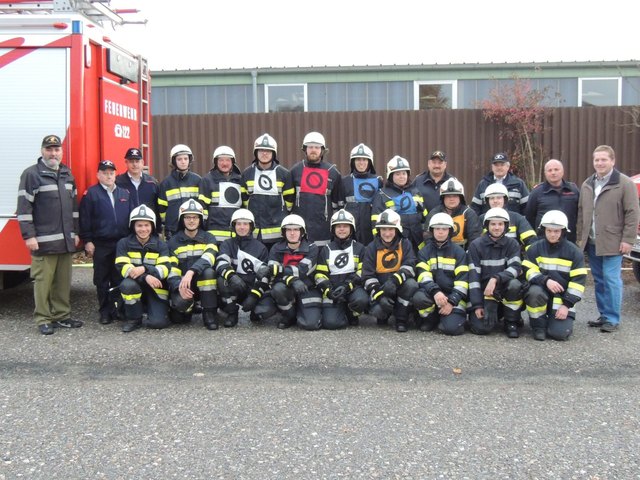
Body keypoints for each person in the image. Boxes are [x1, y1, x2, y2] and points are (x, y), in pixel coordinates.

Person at [16, 134, 83, 335]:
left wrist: (76, 232)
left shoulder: (67, 174)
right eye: (49, 149)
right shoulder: (31, 174)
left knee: (62, 282)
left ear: (62, 152)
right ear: (42, 151)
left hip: (65, 241)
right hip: (43, 242)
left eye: (57, 150)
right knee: (43, 282)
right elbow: (24, 208)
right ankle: (43, 318)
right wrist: (29, 236)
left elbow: (74, 209)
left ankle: (62, 316)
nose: (53, 153)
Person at [576, 145, 640, 333]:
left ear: (612, 161)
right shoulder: (587, 184)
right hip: (592, 242)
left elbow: (632, 213)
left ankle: (612, 318)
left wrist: (628, 239)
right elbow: (581, 213)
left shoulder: (624, 183)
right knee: (599, 279)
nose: (600, 163)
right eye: (597, 160)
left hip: (614, 241)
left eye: (604, 159)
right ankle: (604, 315)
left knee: (611, 279)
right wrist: (581, 239)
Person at [79, 160, 133, 324]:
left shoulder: (124, 193)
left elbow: (131, 218)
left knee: (119, 279)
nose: (108, 176)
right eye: (105, 173)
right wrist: (87, 241)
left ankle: (118, 310)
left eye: (111, 173)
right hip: (101, 244)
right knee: (102, 280)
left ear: (115, 174)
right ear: (98, 175)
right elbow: (84, 220)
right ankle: (104, 312)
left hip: (121, 243)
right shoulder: (91, 194)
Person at [522, 211, 586, 341]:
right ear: (544, 230)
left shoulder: (574, 252)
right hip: (541, 291)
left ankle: (554, 322)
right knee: (534, 292)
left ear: (563, 231)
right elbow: (528, 269)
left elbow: (578, 282)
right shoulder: (535, 248)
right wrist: (545, 281)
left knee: (559, 334)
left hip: (562, 300)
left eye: (556, 231)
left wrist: (566, 305)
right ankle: (538, 326)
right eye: (549, 230)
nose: (552, 234)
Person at [467, 207, 524, 338]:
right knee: (481, 329)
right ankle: (497, 313)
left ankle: (511, 321)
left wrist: (496, 278)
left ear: (506, 226)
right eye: (493, 224)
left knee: (515, 284)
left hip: (502, 290)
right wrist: (477, 305)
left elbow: (516, 268)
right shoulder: (476, 245)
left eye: (500, 224)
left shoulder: (512, 244)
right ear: (487, 225)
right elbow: (473, 277)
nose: (497, 227)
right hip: (484, 293)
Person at [260, 214, 322, 330]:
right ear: (283, 232)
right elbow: (274, 275)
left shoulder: (312, 248)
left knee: (310, 324)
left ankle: (301, 309)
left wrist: (280, 270)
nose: (292, 233)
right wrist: (292, 280)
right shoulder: (276, 248)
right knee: (277, 289)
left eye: (296, 229)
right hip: (286, 287)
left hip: (307, 288)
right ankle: (289, 315)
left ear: (302, 232)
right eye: (288, 230)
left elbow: (302, 271)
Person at [115, 205, 171, 332]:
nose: (143, 229)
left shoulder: (161, 245)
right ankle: (134, 319)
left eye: (147, 225)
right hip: (135, 284)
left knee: (158, 323)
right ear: (133, 226)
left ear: (152, 226)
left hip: (156, 288)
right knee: (128, 285)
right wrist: (146, 276)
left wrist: (144, 268)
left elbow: (165, 269)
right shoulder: (123, 243)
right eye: (139, 225)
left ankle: (153, 309)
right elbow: (123, 268)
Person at [362, 209, 418, 332]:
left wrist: (394, 280)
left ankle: (401, 319)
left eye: (391, 229)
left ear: (397, 230)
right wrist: (379, 296)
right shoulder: (371, 248)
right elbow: (367, 276)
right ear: (378, 230)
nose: (387, 234)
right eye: (383, 229)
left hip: (399, 286)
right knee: (378, 311)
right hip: (381, 289)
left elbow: (410, 265)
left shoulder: (405, 244)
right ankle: (384, 315)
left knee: (411, 284)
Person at [413, 213, 469, 335]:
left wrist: (452, 302)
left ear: (450, 231)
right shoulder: (424, 252)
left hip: (453, 296)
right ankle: (431, 319)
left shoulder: (459, 252)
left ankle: (450, 318)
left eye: (444, 229)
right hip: (433, 294)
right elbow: (423, 276)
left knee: (451, 329)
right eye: (437, 229)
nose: (440, 232)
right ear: (432, 231)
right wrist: (435, 291)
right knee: (418, 298)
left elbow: (463, 282)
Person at [166, 199, 219, 330]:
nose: (191, 220)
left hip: (203, 284)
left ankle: (209, 313)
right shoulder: (173, 242)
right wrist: (179, 287)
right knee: (178, 320)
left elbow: (209, 258)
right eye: (187, 217)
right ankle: (189, 307)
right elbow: (172, 269)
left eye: (195, 217)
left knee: (209, 272)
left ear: (200, 219)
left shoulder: (209, 238)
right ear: (181, 220)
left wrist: (191, 271)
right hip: (184, 285)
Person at [314, 209, 369, 329]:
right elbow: (319, 274)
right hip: (333, 291)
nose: (342, 229)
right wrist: (328, 291)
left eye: (345, 226)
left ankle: (351, 312)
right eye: (338, 226)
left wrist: (347, 286)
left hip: (352, 289)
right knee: (331, 323)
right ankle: (340, 310)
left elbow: (362, 272)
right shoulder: (326, 249)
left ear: (352, 228)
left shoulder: (359, 248)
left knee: (361, 300)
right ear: (333, 229)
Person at [215, 208, 270, 327]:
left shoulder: (260, 248)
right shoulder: (227, 244)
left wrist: (254, 296)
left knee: (263, 312)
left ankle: (255, 310)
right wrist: (231, 276)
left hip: (252, 288)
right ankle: (232, 312)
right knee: (221, 280)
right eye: (238, 224)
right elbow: (221, 263)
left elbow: (265, 277)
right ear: (233, 226)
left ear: (251, 226)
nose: (242, 227)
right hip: (234, 285)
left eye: (245, 224)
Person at [290, 131, 344, 246]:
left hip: (324, 233)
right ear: (305, 149)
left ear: (322, 150)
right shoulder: (295, 171)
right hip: (300, 231)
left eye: (317, 147)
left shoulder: (333, 173)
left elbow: (337, 205)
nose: (313, 150)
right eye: (310, 147)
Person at [242, 133, 294, 249]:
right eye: (261, 150)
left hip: (277, 235)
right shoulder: (247, 173)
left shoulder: (284, 174)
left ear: (273, 154)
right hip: (254, 233)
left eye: (268, 151)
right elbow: (244, 200)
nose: (264, 153)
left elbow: (289, 202)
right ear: (255, 153)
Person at [371, 155, 426, 253]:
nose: (402, 177)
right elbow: (375, 222)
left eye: (404, 173)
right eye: (397, 174)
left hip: (418, 241)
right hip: (395, 244)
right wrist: (379, 242)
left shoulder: (415, 191)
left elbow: (424, 215)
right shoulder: (382, 194)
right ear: (390, 176)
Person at [525, 159, 580, 242]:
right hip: (543, 241)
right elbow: (529, 217)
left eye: (556, 169)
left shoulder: (573, 190)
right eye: (549, 170)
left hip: (568, 240)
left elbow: (579, 214)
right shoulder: (537, 192)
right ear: (545, 173)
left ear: (563, 171)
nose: (553, 172)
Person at [199, 145, 244, 243]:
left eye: (228, 160)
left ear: (232, 162)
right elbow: (203, 207)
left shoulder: (240, 180)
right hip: (214, 234)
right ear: (215, 162)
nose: (224, 163)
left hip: (236, 234)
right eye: (221, 160)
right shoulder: (207, 180)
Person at [341, 143, 382, 246]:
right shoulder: (345, 181)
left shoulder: (378, 182)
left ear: (370, 162)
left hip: (371, 231)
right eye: (358, 159)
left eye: (364, 159)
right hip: (351, 231)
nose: (361, 163)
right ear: (353, 162)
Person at [423, 178, 480, 251]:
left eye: (455, 196)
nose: (451, 199)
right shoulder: (434, 213)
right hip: (438, 254)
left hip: (463, 255)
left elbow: (474, 238)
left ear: (460, 197)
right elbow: (428, 237)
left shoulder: (469, 214)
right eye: (448, 196)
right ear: (443, 198)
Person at [158, 144, 201, 239]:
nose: (183, 162)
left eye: (186, 159)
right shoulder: (166, 183)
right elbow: (162, 210)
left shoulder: (198, 180)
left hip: (193, 230)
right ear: (174, 161)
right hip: (173, 230)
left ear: (189, 160)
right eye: (179, 159)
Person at [480, 183, 536, 251]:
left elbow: (531, 241)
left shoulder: (517, 218)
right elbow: (475, 244)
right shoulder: (481, 219)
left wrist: (530, 257)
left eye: (499, 197)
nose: (495, 201)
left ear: (505, 200)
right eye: (492, 198)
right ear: (487, 201)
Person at [115, 147, 160, 226]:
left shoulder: (152, 183)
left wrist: (158, 229)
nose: (134, 164)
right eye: (131, 161)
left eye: (137, 161)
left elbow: (158, 207)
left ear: (142, 162)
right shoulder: (118, 182)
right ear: (126, 162)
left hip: (147, 229)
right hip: (126, 229)